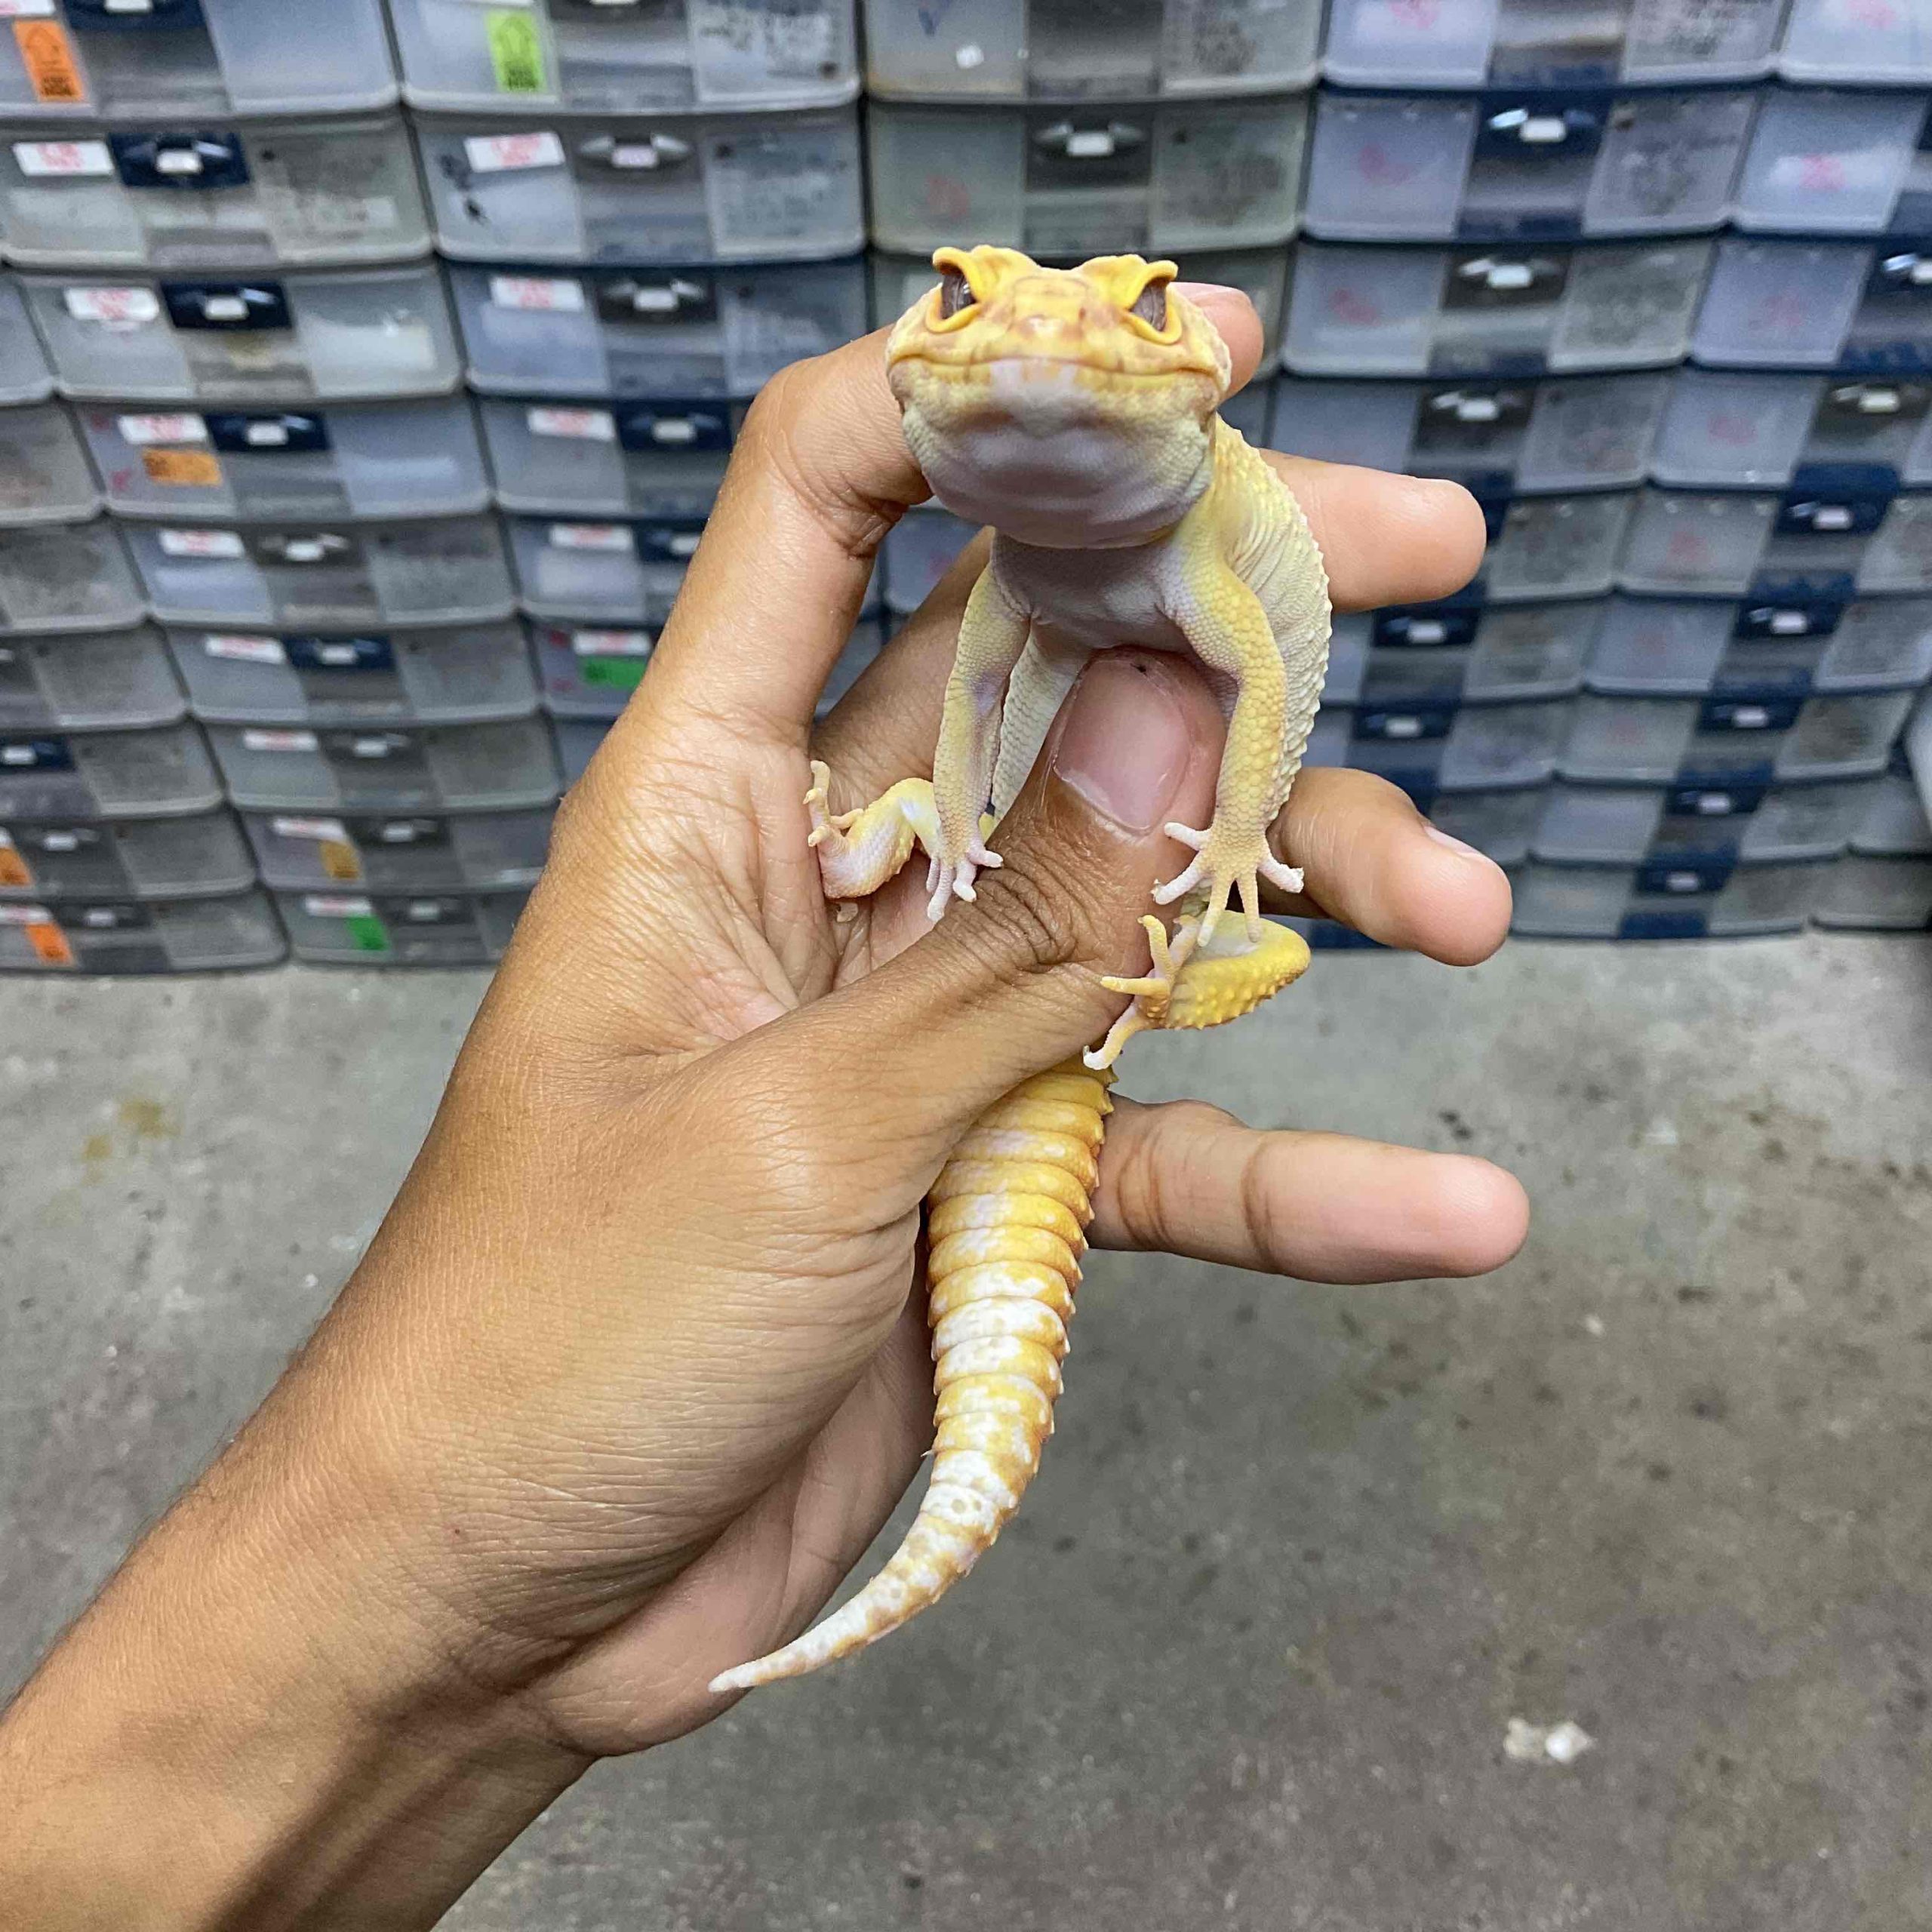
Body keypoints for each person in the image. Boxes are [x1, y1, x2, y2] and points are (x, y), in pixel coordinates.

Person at [0, 289, 1526, 1927]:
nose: (1041, 340)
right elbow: (983, 679)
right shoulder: (1026, 565)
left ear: (1194, 376)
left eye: (1138, 314)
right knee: (988, 810)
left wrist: (1203, 860)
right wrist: (983, 855)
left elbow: (1237, 671)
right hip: (1002, 933)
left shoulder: (1191, 551)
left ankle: (1140, 975)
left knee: (1252, 922)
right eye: (963, 299)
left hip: (1094, 980)